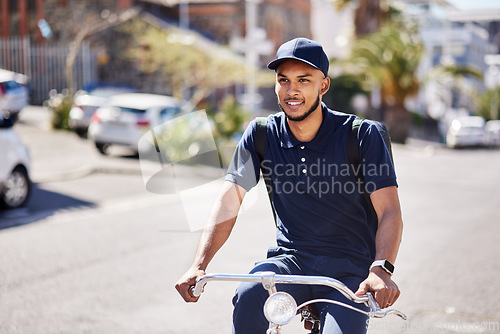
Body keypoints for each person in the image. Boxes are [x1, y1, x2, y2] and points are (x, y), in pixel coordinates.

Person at [175, 37, 403, 334]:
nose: (291, 90)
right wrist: (199, 264)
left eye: (303, 80)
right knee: (248, 296)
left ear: (323, 85)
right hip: (290, 262)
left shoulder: (361, 135)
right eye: (283, 80)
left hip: (348, 271)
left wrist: (381, 269)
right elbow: (230, 200)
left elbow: (390, 211)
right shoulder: (261, 134)